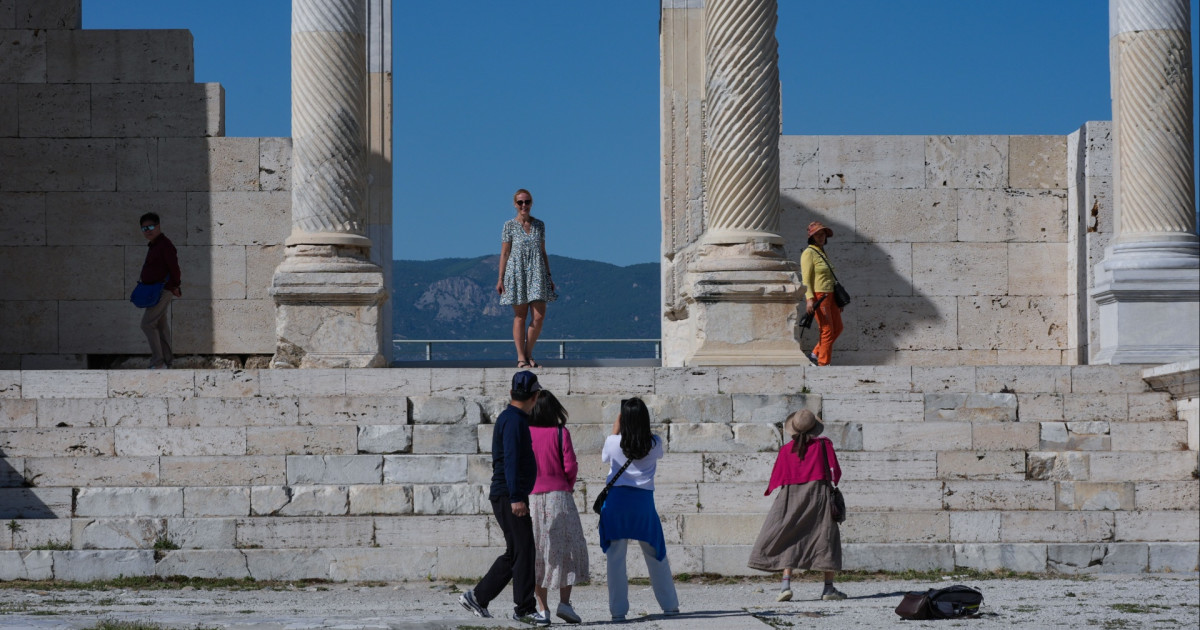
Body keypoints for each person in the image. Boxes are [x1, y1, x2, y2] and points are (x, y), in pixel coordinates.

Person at [459, 371, 542, 622]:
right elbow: (512, 461)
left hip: (507, 493)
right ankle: (525, 609)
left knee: (516, 550)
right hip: (509, 495)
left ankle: (479, 597)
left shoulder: (510, 417)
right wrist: (517, 497)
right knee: (524, 550)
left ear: (511, 394)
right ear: (535, 396)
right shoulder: (515, 421)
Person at [747, 409, 846, 602]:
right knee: (825, 538)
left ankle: (785, 585)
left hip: (790, 498)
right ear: (814, 429)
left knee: (789, 537)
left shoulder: (786, 450)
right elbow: (836, 474)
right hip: (819, 496)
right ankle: (828, 589)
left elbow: (776, 479)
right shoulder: (823, 445)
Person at [598, 398, 680, 622]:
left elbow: (606, 457)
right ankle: (670, 604)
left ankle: (618, 611)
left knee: (615, 559)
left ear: (623, 418)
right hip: (643, 504)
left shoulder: (613, 442)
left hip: (616, 503)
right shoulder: (654, 443)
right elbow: (656, 452)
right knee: (655, 554)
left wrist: (616, 427)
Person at [527, 390, 589, 625]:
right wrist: (567, 485)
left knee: (537, 553)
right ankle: (565, 603)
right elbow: (571, 465)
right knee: (566, 549)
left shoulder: (525, 433)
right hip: (559, 496)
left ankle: (542, 608)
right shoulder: (561, 433)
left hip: (532, 497)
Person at [497, 188, 556, 368]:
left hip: (537, 272)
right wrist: (500, 278)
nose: (524, 205)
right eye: (520, 202)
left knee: (539, 316)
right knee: (520, 315)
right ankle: (521, 357)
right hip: (517, 272)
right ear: (515, 205)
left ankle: (529, 353)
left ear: (531, 203)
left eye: (527, 202)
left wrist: (549, 276)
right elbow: (505, 252)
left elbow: (543, 251)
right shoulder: (509, 225)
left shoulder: (540, 225)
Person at [136, 212, 182, 369]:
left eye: (150, 227)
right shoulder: (155, 245)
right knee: (160, 326)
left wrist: (174, 286)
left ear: (158, 226)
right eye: (144, 228)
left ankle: (158, 362)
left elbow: (175, 268)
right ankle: (167, 362)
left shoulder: (165, 245)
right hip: (154, 292)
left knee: (147, 324)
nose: (147, 231)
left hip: (162, 290)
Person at [800, 221, 842, 366]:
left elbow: (829, 277)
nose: (820, 237)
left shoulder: (822, 251)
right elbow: (806, 278)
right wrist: (809, 299)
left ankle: (815, 354)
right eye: (817, 234)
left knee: (838, 328)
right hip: (819, 296)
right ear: (811, 237)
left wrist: (837, 300)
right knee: (827, 330)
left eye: (822, 234)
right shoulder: (809, 252)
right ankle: (823, 363)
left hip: (831, 296)